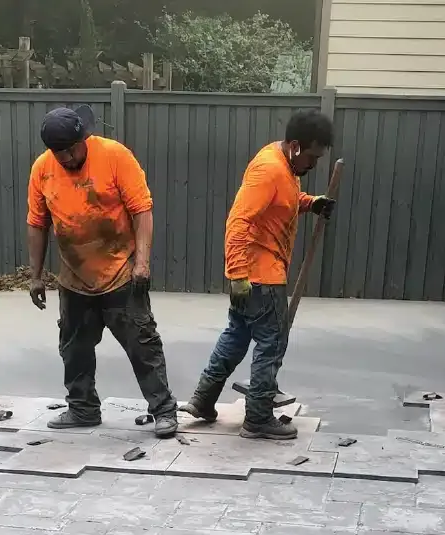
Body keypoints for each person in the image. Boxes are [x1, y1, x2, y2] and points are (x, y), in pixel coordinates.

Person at [180, 110, 336, 440]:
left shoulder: (284, 165)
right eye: (312, 156)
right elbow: (239, 221)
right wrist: (237, 273)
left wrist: (311, 203)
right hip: (261, 276)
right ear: (295, 147)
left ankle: (203, 400)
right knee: (271, 344)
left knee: (235, 337)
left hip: (252, 277)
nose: (314, 164)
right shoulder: (269, 169)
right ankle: (259, 417)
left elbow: (282, 202)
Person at [26, 106, 178, 437]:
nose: (66, 158)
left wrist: (142, 263)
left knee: (143, 344)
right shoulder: (43, 169)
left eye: (71, 150)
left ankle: (164, 411)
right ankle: (82, 409)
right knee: (74, 348)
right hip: (74, 277)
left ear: (84, 138)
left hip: (122, 272)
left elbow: (142, 210)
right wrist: (35, 275)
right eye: (58, 152)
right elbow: (38, 223)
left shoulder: (114, 156)